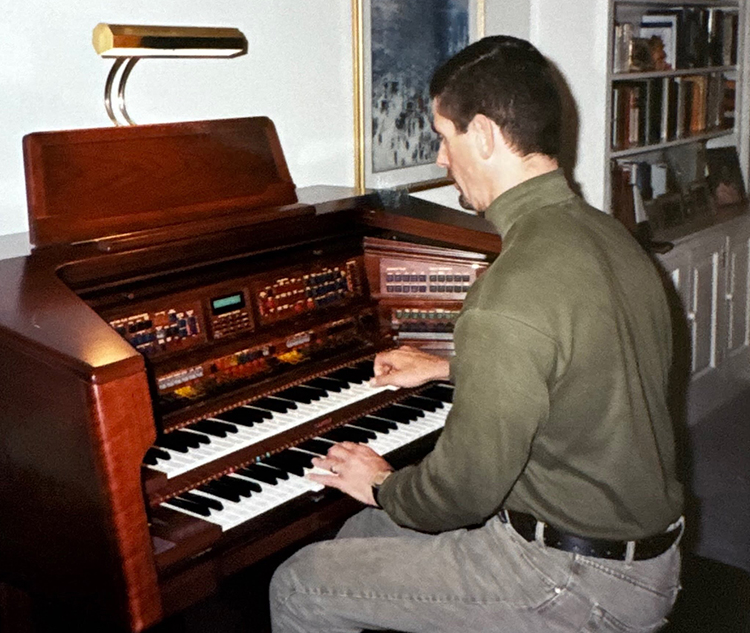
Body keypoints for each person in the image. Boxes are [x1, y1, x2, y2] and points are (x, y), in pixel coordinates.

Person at [269, 35, 684, 633]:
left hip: (570, 577)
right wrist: (445, 368)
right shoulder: (604, 233)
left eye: (444, 136)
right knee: (361, 533)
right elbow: (583, 364)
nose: (441, 158)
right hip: (641, 548)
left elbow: (460, 493)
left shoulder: (510, 288)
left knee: (302, 583)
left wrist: (383, 482)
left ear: (484, 135)